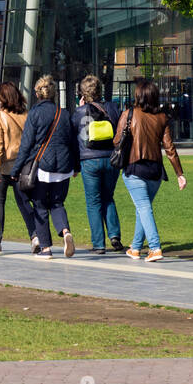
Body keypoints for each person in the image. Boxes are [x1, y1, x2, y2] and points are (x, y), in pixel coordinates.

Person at [114, 78, 186, 261]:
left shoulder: (129, 113)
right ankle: (136, 248)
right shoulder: (162, 117)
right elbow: (170, 148)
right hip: (155, 170)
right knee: (142, 208)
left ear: (138, 96)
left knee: (144, 208)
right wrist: (179, 174)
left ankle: (155, 248)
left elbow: (116, 141)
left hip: (135, 167)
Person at [10, 75, 80, 258]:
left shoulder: (34, 113)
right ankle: (65, 232)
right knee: (57, 203)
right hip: (64, 166)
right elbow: (74, 143)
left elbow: (26, 145)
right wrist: (77, 167)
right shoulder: (64, 114)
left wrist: (16, 170)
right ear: (54, 93)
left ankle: (46, 248)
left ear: (37, 93)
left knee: (40, 205)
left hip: (42, 166)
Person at [72, 75, 124, 254]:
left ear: (83, 94)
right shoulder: (112, 108)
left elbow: (75, 135)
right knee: (108, 197)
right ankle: (115, 235)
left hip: (89, 160)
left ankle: (98, 244)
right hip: (111, 159)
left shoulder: (79, 112)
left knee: (93, 202)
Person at [0, 81, 35, 253]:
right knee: (24, 203)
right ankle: (35, 236)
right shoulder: (27, 115)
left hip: (4, 166)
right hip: (23, 165)